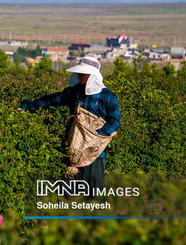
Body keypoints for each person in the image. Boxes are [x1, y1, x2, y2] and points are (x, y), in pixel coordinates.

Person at [20, 56, 120, 190]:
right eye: (79, 73)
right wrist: (29, 106)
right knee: (68, 190)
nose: (79, 76)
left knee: (93, 192)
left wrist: (96, 136)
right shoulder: (74, 92)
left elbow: (114, 120)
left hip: (95, 153)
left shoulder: (107, 96)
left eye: (83, 74)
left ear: (92, 76)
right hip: (73, 146)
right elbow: (54, 99)